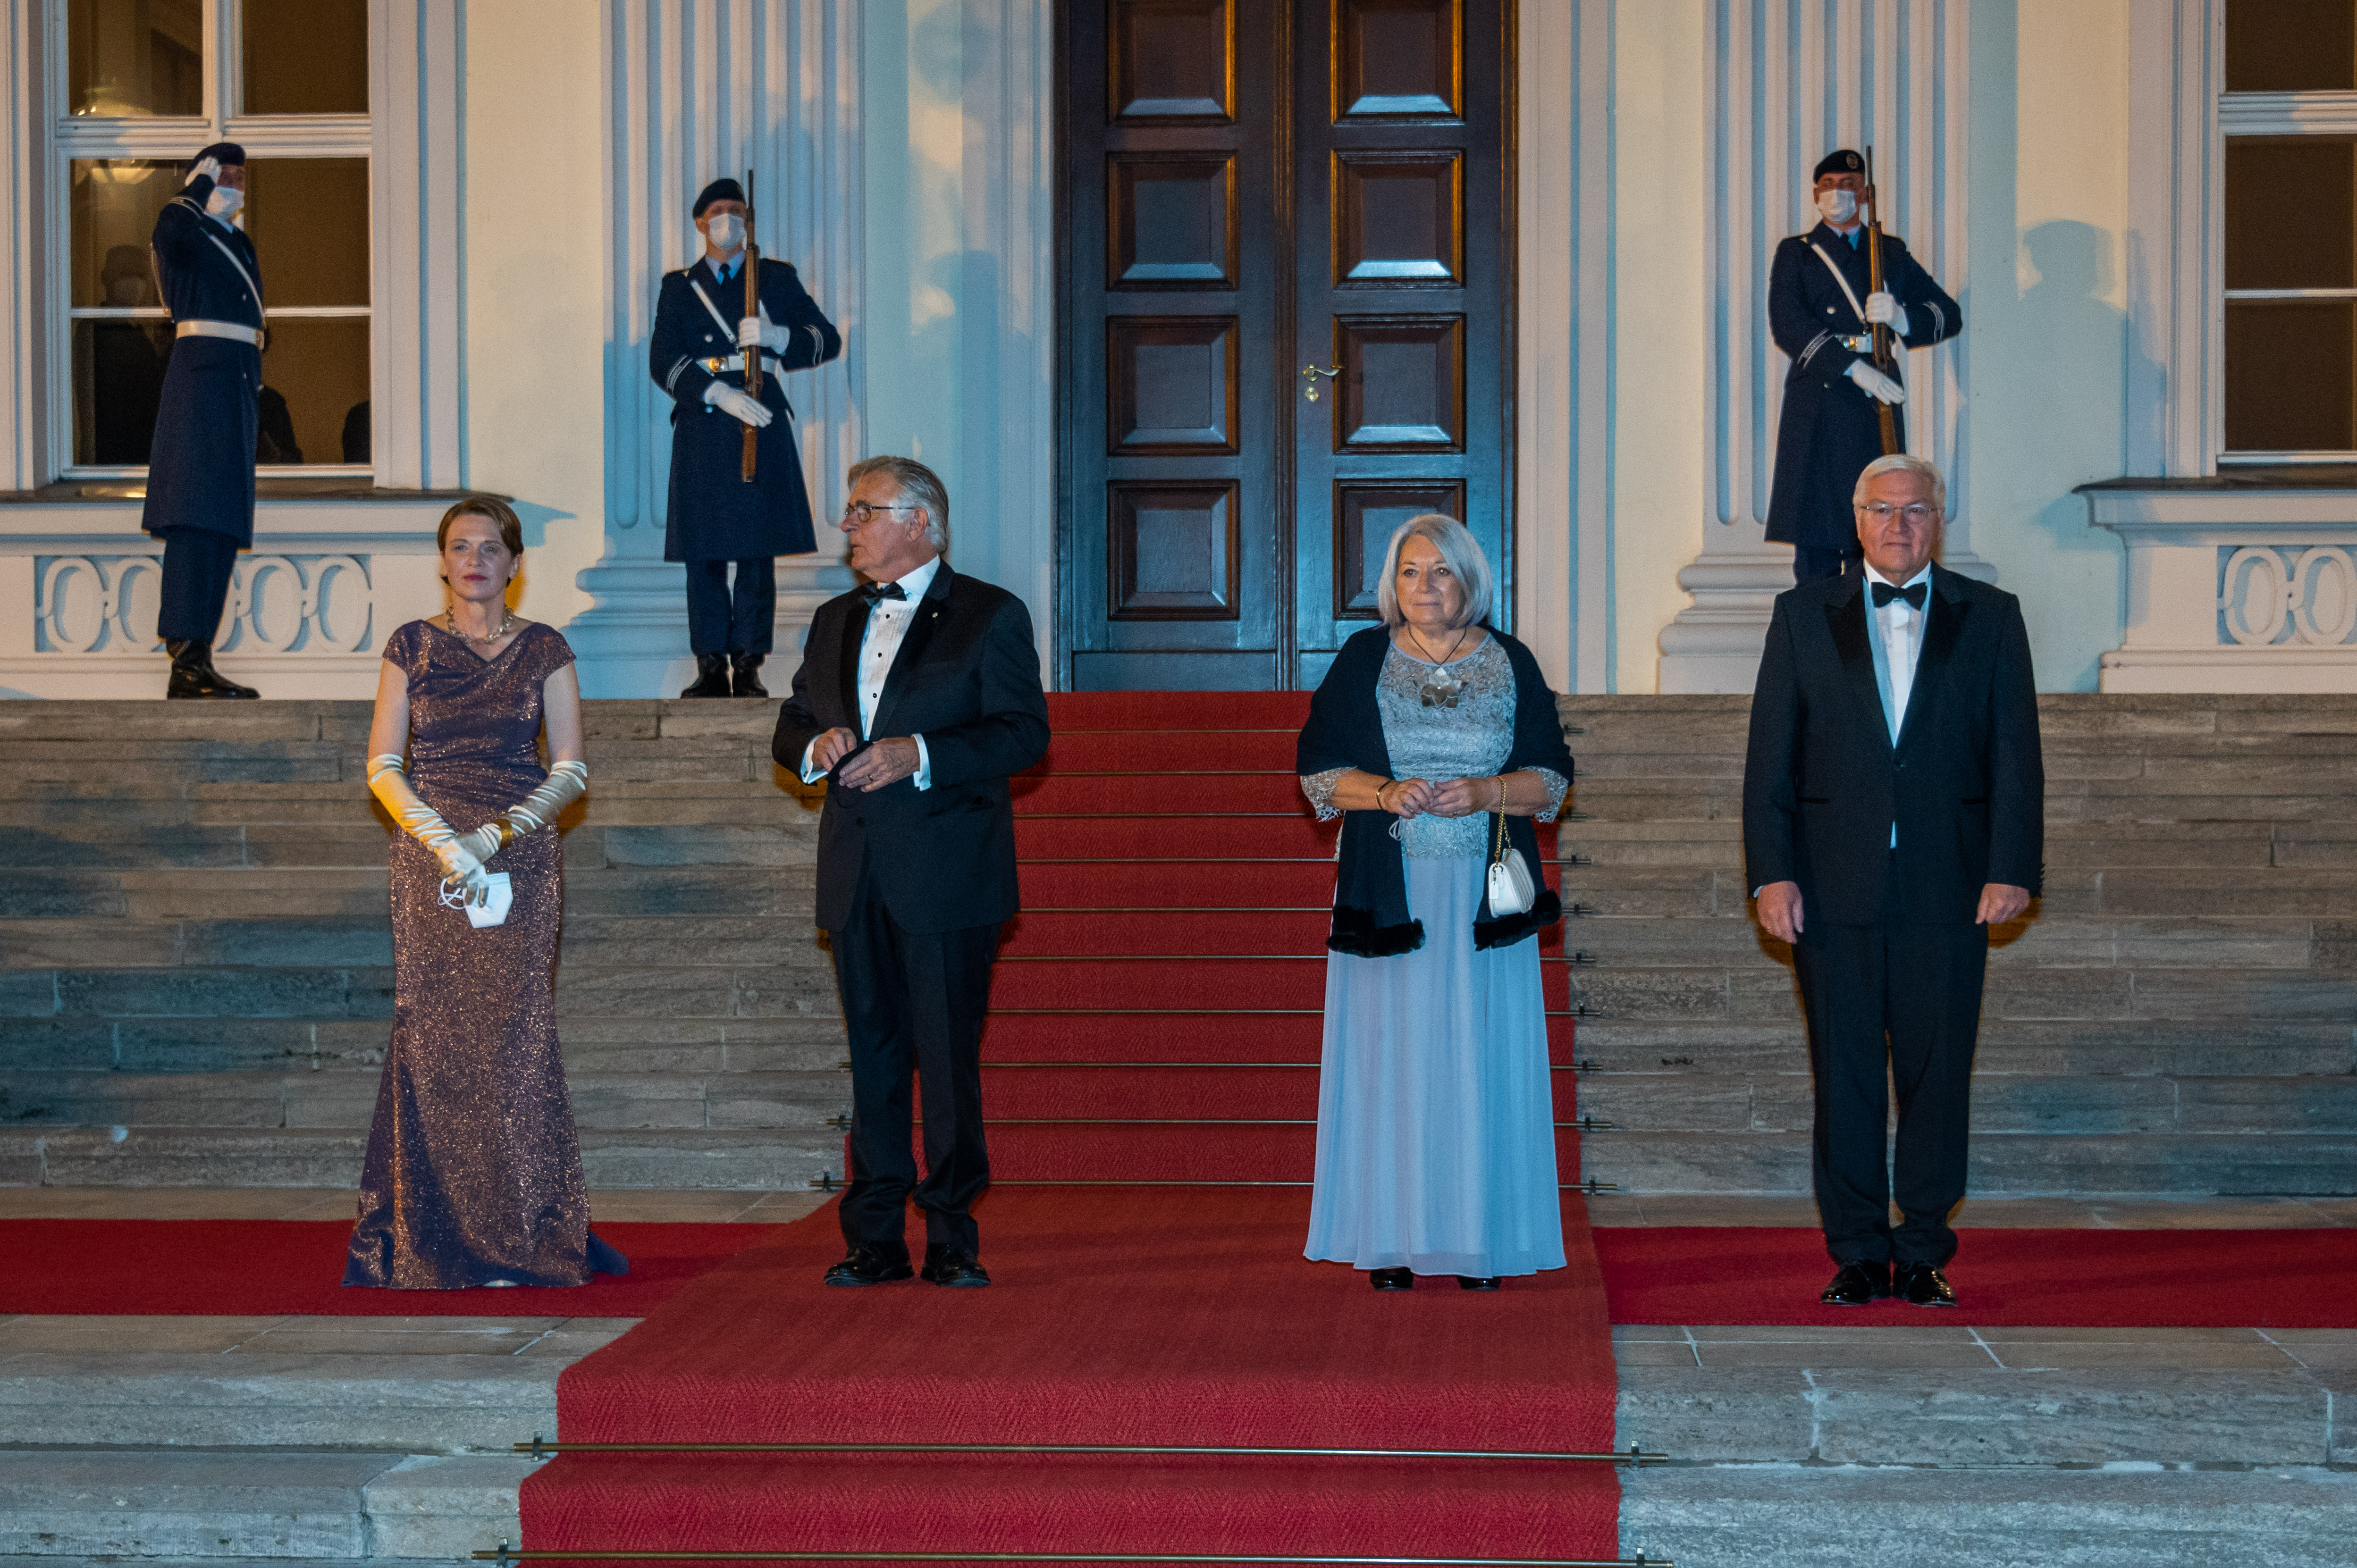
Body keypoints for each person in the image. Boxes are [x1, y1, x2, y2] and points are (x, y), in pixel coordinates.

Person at [1742, 454, 2042, 1309]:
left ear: (1937, 520)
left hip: (1950, 887)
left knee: (1936, 1075)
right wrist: (1771, 873)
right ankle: (1854, 1250)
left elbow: (2015, 755)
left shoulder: (1991, 616)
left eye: (1914, 510)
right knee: (1843, 1076)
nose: (1897, 525)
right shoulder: (1801, 615)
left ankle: (1921, 1250)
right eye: (1881, 509)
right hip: (1829, 887)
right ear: (1856, 518)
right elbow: (1769, 759)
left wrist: (2010, 866)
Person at [770, 456, 1050, 1290]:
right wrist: (813, 746)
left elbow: (1023, 733)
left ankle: (953, 1234)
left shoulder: (989, 614)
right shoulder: (832, 619)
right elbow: (792, 719)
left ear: (918, 520)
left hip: (947, 875)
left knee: (948, 1060)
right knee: (875, 1059)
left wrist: (918, 753)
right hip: (855, 871)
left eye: (864, 509)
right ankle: (875, 1237)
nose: (847, 524)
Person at [344, 496, 627, 1290]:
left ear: (514, 562)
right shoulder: (410, 644)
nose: (475, 559)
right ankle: (435, 1238)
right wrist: (443, 841)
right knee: (433, 1032)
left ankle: (522, 1235)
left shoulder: (544, 648)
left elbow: (570, 766)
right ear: (443, 561)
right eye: (461, 546)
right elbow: (382, 763)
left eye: (491, 547)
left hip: (519, 855)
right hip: (427, 854)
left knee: (515, 1036)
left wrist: (494, 836)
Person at [1295, 514, 1575, 1291]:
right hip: (1389, 894)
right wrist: (1383, 791)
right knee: (1391, 1063)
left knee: (1478, 1061)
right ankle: (1390, 1235)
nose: (1425, 586)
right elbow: (1317, 770)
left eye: (1441, 571)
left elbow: (1552, 778)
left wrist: (1487, 791)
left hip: (1482, 897)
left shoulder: (1511, 659)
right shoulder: (1363, 657)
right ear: (1393, 584)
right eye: (1410, 571)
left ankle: (1474, 1238)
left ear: (1469, 580)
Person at [652, 176, 843, 699]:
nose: (728, 219)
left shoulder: (775, 277)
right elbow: (664, 359)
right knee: (704, 552)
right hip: (705, 421)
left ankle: (749, 662)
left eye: (737, 210)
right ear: (700, 222)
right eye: (718, 210)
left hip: (760, 414)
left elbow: (825, 339)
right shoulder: (680, 286)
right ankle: (711, 665)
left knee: (757, 553)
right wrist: (715, 392)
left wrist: (779, 336)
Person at [1766, 149, 1962, 584]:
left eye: (1849, 185)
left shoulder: (1888, 252)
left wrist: (1902, 317)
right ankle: (1816, 625)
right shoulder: (1798, 253)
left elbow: (1948, 314)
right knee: (1817, 536)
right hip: (1819, 394)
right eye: (1829, 185)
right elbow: (1789, 324)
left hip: (1875, 404)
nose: (1838, 194)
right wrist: (1853, 369)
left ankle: (1865, 624)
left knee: (1875, 526)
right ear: (1816, 194)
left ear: (1866, 195)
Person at [142, 143, 265, 699]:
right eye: (223, 175)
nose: (234, 184)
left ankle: (199, 658)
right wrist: (194, 187)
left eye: (239, 175)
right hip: (201, 382)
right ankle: (186, 659)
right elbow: (170, 232)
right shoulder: (186, 232)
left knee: (220, 521)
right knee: (195, 516)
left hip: (233, 383)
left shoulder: (236, 240)